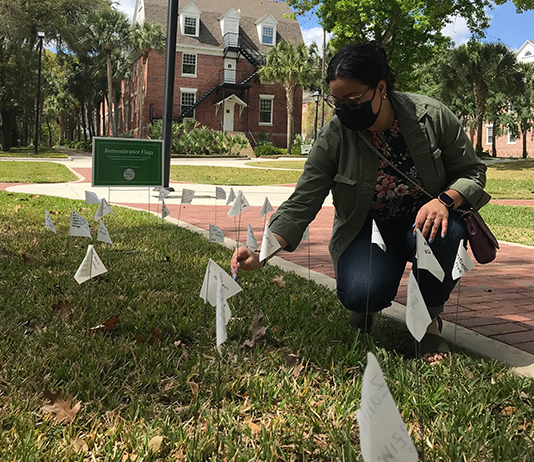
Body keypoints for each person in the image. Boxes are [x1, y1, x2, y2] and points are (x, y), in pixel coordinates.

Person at [230, 41, 490, 363]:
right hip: (366, 230)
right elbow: (302, 202)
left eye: (353, 100)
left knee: (446, 234)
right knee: (361, 292)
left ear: (380, 88)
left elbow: (473, 171)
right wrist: (261, 254)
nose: (343, 109)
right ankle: (365, 304)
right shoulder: (334, 136)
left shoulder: (432, 117)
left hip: (424, 224)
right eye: (336, 101)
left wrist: (444, 201)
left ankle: (429, 324)